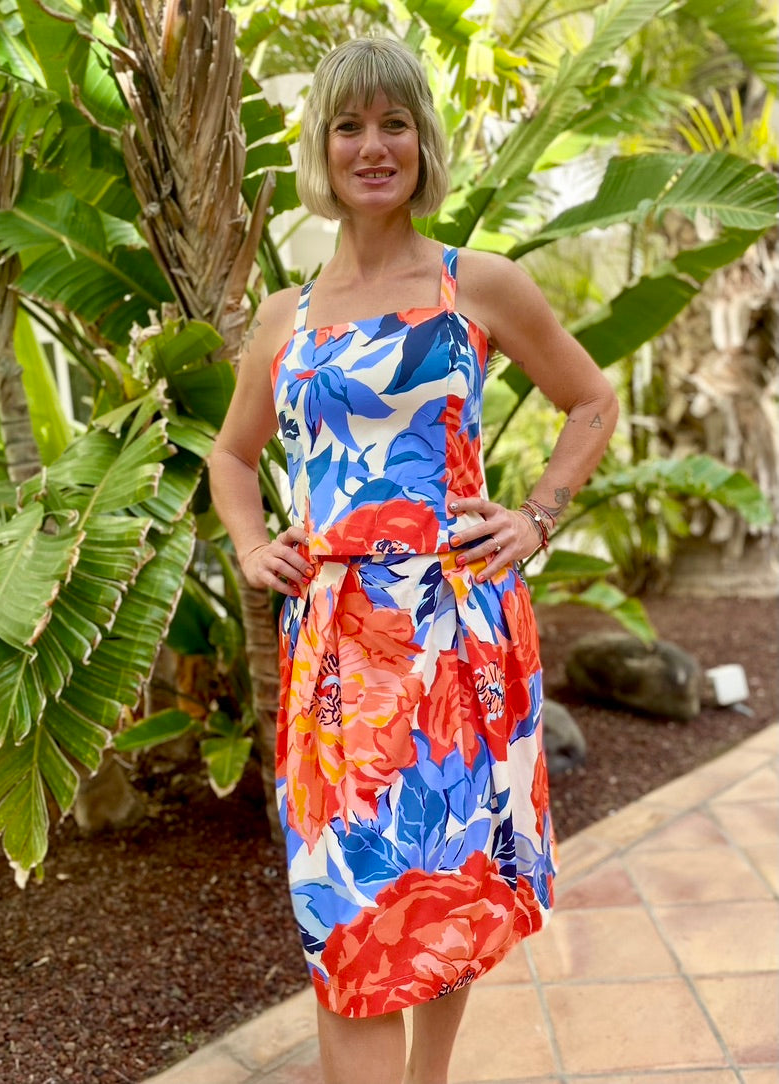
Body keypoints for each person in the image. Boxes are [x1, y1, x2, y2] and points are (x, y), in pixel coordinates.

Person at [210, 35, 618, 1084]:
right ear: (322, 147)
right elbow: (231, 454)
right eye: (350, 125)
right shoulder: (284, 319)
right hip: (336, 652)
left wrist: (536, 517)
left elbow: (591, 400)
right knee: (346, 918)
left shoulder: (476, 283)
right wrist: (252, 544)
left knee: (445, 882)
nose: (373, 146)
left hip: (456, 636)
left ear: (422, 141)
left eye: (394, 122)